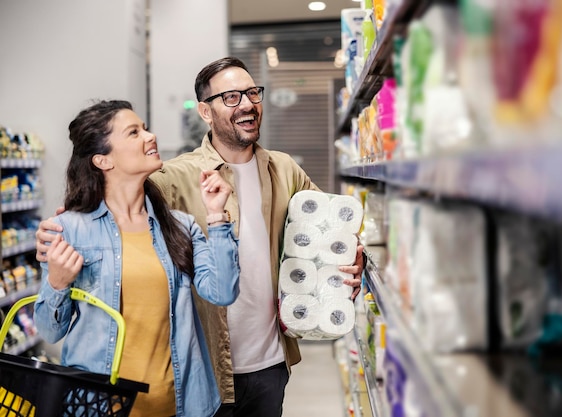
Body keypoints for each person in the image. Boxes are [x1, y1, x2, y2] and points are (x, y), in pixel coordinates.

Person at [36, 57, 365, 417]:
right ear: (206, 112)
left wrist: (353, 257)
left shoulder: (283, 170)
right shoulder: (174, 177)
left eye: (253, 93)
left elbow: (330, 231)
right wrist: (60, 231)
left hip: (270, 361)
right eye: (232, 97)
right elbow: (113, 201)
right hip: (205, 368)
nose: (247, 104)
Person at [33, 99, 240, 417]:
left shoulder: (180, 227)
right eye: (134, 132)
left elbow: (222, 292)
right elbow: (49, 331)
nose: (150, 136)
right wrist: (57, 283)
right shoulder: (67, 230)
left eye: (145, 128)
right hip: (98, 407)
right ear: (103, 160)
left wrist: (217, 217)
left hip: (179, 405)